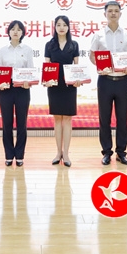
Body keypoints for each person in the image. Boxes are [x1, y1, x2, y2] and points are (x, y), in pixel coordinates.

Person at [90, 1, 127, 166]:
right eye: (110, 11)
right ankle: (106, 152)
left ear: (120, 14)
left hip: (123, 81)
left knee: (122, 119)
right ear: (105, 14)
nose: (113, 13)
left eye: (116, 11)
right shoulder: (98, 35)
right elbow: (92, 55)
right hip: (105, 81)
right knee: (104, 119)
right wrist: (99, 65)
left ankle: (121, 152)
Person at [44, 15, 80, 167]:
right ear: (54, 27)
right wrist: (46, 80)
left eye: (64, 25)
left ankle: (66, 154)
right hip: (54, 85)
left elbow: (77, 67)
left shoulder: (74, 45)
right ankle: (58, 152)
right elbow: (47, 66)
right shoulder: (49, 45)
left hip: (69, 85)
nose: (61, 28)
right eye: (58, 25)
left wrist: (78, 79)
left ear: (68, 27)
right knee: (57, 119)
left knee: (67, 119)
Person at [0, 20, 34, 167]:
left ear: (23, 32)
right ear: (9, 32)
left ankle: (19, 155)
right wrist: (0, 83)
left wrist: (28, 82)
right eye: (13, 29)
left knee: (21, 123)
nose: (15, 32)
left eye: (19, 29)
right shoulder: (2, 51)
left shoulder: (28, 50)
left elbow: (30, 70)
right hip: (6, 89)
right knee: (6, 123)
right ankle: (8, 154)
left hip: (22, 89)